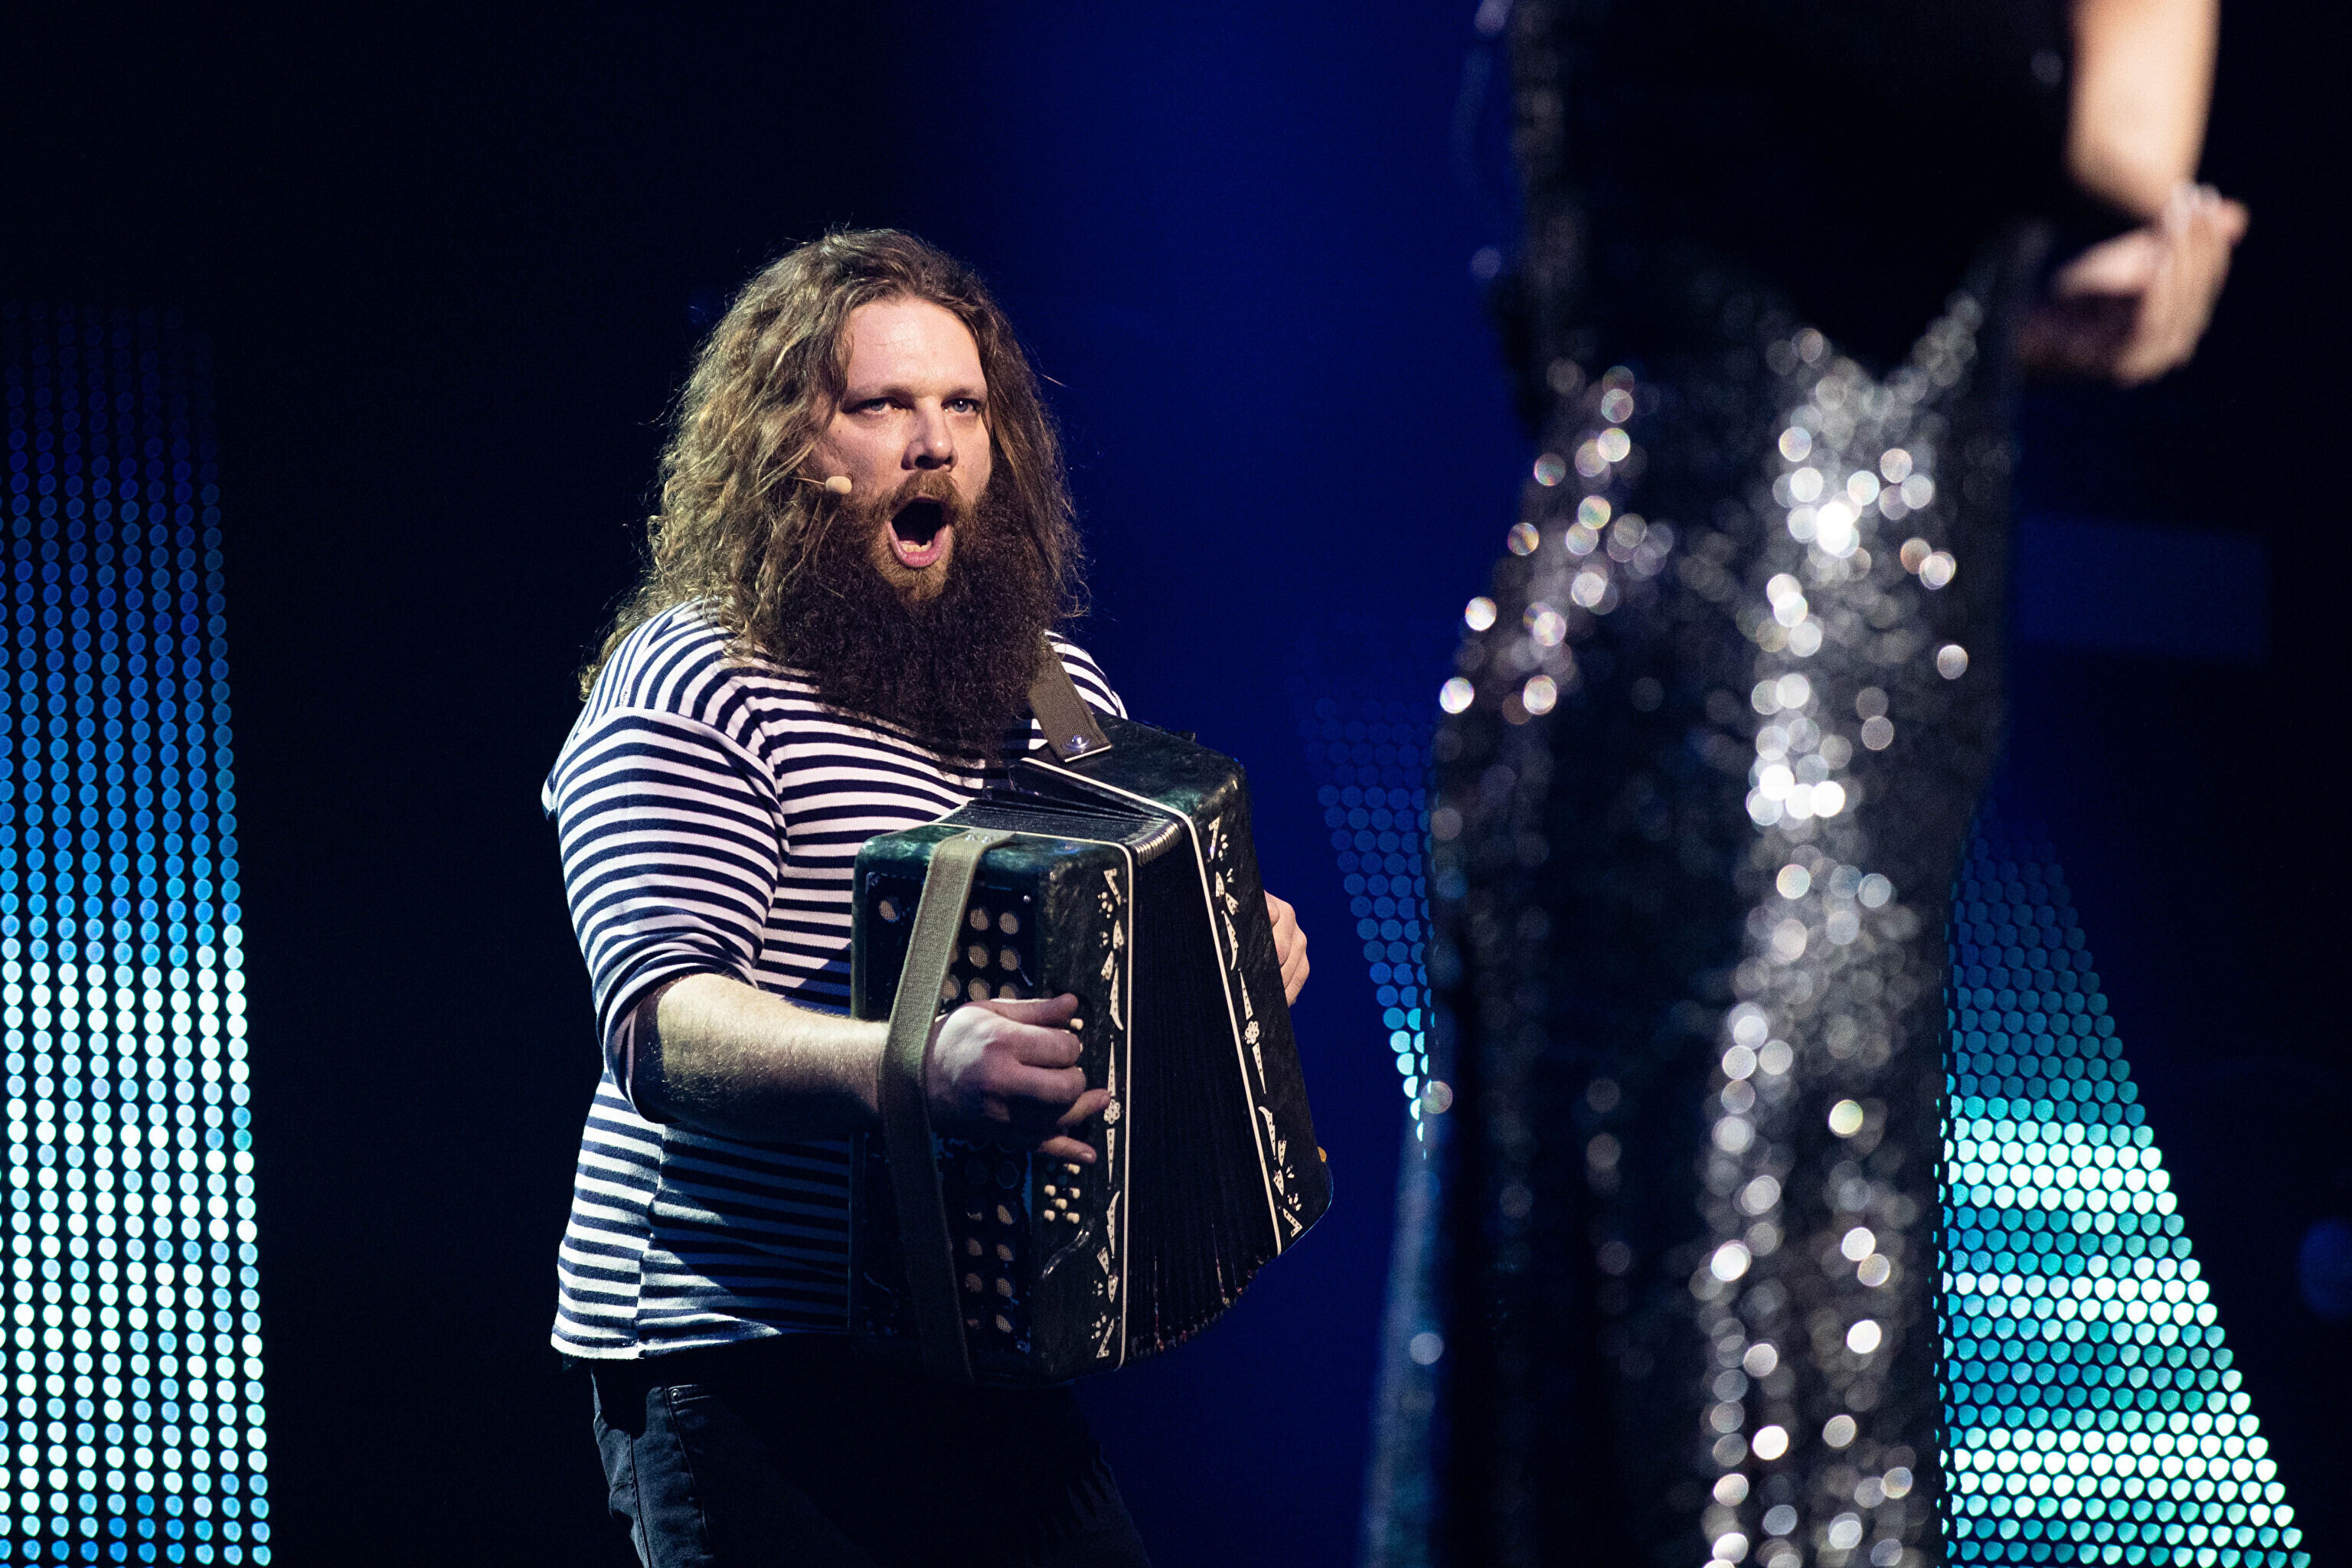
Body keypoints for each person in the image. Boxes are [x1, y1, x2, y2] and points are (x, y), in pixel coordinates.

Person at [1416, 1, 2243, 1565]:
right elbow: (2131, 136)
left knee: (1708, 1383)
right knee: (1750, 1390)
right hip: (1753, 726)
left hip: (1676, 689)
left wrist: (1998, 341)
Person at [544, 229, 1310, 1568]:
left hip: (986, 1342)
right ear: (790, 446)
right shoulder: (694, 677)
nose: (934, 442)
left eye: (964, 405)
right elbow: (662, 1026)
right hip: (744, 1352)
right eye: (882, 403)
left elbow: (1106, 974)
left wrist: (1221, 965)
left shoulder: (1055, 694)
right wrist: (918, 1066)